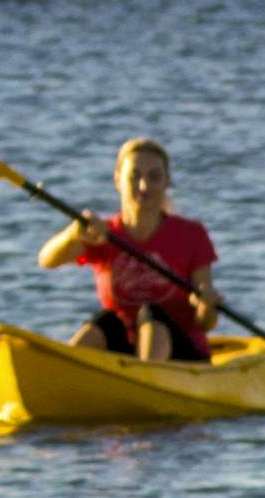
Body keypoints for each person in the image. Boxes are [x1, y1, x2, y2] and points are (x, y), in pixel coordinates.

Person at [42, 138, 224, 363]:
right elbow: (46, 261)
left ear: (167, 182)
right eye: (134, 176)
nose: (144, 186)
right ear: (118, 180)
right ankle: (67, 370)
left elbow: (207, 323)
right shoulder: (102, 234)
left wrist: (207, 307)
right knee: (106, 321)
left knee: (151, 313)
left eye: (154, 177)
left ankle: (147, 377)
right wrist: (71, 234)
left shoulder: (192, 235)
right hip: (124, 350)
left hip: (180, 355)